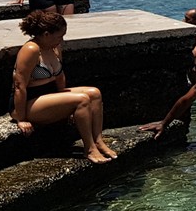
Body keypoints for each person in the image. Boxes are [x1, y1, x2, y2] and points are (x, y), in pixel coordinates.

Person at [10, 11, 116, 164]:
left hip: (49, 95)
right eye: (59, 36)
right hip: (29, 102)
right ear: (46, 34)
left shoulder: (54, 47)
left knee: (94, 93)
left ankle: (98, 141)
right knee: (81, 100)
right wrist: (21, 119)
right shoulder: (31, 49)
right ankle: (90, 149)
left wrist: (63, 102)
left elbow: (60, 77)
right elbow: (19, 86)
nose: (62, 39)